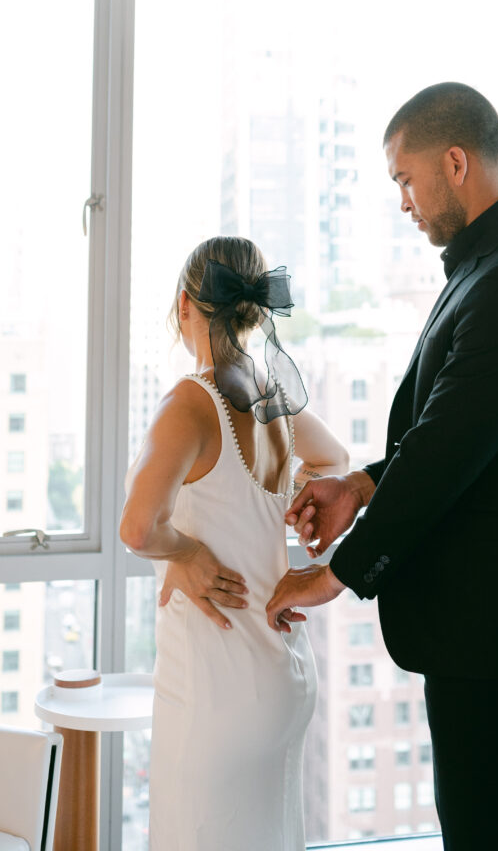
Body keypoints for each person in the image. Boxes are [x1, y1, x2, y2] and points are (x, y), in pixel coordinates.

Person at [266, 83, 498, 851]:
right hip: (492, 613)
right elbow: (452, 432)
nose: (402, 201)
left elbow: (448, 451)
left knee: (492, 838)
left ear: (454, 163)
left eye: (404, 178)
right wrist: (357, 486)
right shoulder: (492, 266)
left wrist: (337, 571)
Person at [120, 236, 349, 851]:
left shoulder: (189, 402)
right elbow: (334, 459)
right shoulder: (273, 392)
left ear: (184, 305)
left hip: (215, 687)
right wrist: (289, 500)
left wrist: (188, 552)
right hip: (285, 674)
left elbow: (139, 529)